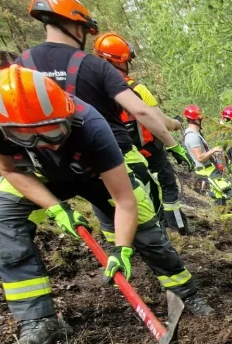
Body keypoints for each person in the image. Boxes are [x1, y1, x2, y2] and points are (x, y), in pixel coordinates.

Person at [0, 66, 213, 344]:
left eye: (53, 132)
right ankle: (38, 321)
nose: (48, 143)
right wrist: (56, 208)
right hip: (35, 175)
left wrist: (122, 249)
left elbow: (125, 200)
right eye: (32, 137)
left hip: (96, 173)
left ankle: (187, 294)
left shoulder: (92, 126)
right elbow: (8, 169)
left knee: (147, 230)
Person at [20, 0, 194, 222]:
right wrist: (174, 140)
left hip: (52, 160)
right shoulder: (121, 81)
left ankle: (120, 244)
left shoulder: (24, 66)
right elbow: (148, 115)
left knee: (105, 208)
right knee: (148, 204)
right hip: (121, 153)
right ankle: (163, 235)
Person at [93, 31, 190, 234]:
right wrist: (176, 126)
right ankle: (180, 230)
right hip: (149, 151)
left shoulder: (90, 87)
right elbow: (161, 121)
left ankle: (145, 230)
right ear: (122, 61)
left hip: (113, 155)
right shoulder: (134, 88)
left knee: (131, 195)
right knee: (168, 189)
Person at [182, 105, 232, 205]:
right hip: (207, 171)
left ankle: (224, 217)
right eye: (201, 118)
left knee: (218, 197)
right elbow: (200, 157)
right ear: (197, 120)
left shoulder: (195, 133)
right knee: (229, 193)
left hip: (210, 169)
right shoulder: (192, 136)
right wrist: (213, 150)